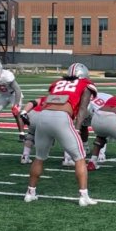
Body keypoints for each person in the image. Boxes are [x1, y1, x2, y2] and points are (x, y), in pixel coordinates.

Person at [25, 63, 97, 206]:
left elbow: (49, 100)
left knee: (39, 157)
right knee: (80, 157)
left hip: (43, 117)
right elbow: (83, 108)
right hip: (61, 117)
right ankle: (84, 196)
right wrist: (77, 127)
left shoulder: (57, 83)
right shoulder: (85, 84)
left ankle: (30, 193)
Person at [0, 60, 26, 140]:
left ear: (0, 70)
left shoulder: (7, 75)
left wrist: (16, 104)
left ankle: (22, 134)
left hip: (13, 94)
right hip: (3, 95)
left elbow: (17, 90)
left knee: (16, 113)